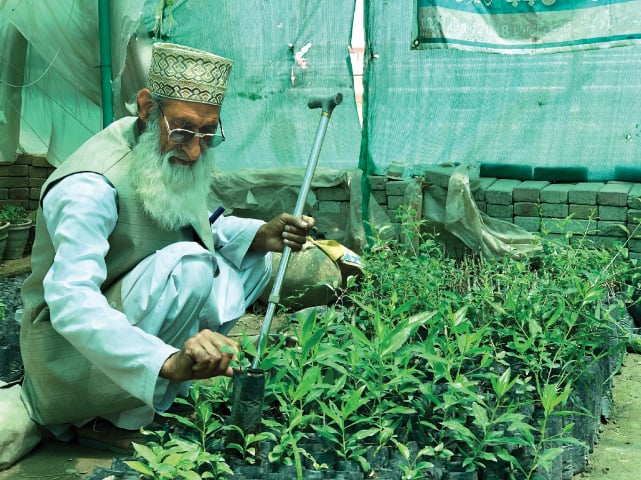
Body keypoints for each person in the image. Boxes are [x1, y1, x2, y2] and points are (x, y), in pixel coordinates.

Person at [19, 42, 314, 451]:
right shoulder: (89, 185)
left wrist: (262, 235)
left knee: (251, 263)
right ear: (146, 108)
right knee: (191, 266)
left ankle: (154, 394)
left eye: (208, 133)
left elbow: (195, 222)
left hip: (123, 320)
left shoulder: (158, 154)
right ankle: (105, 419)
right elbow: (70, 301)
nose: (195, 149)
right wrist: (163, 360)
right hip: (65, 358)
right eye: (183, 130)